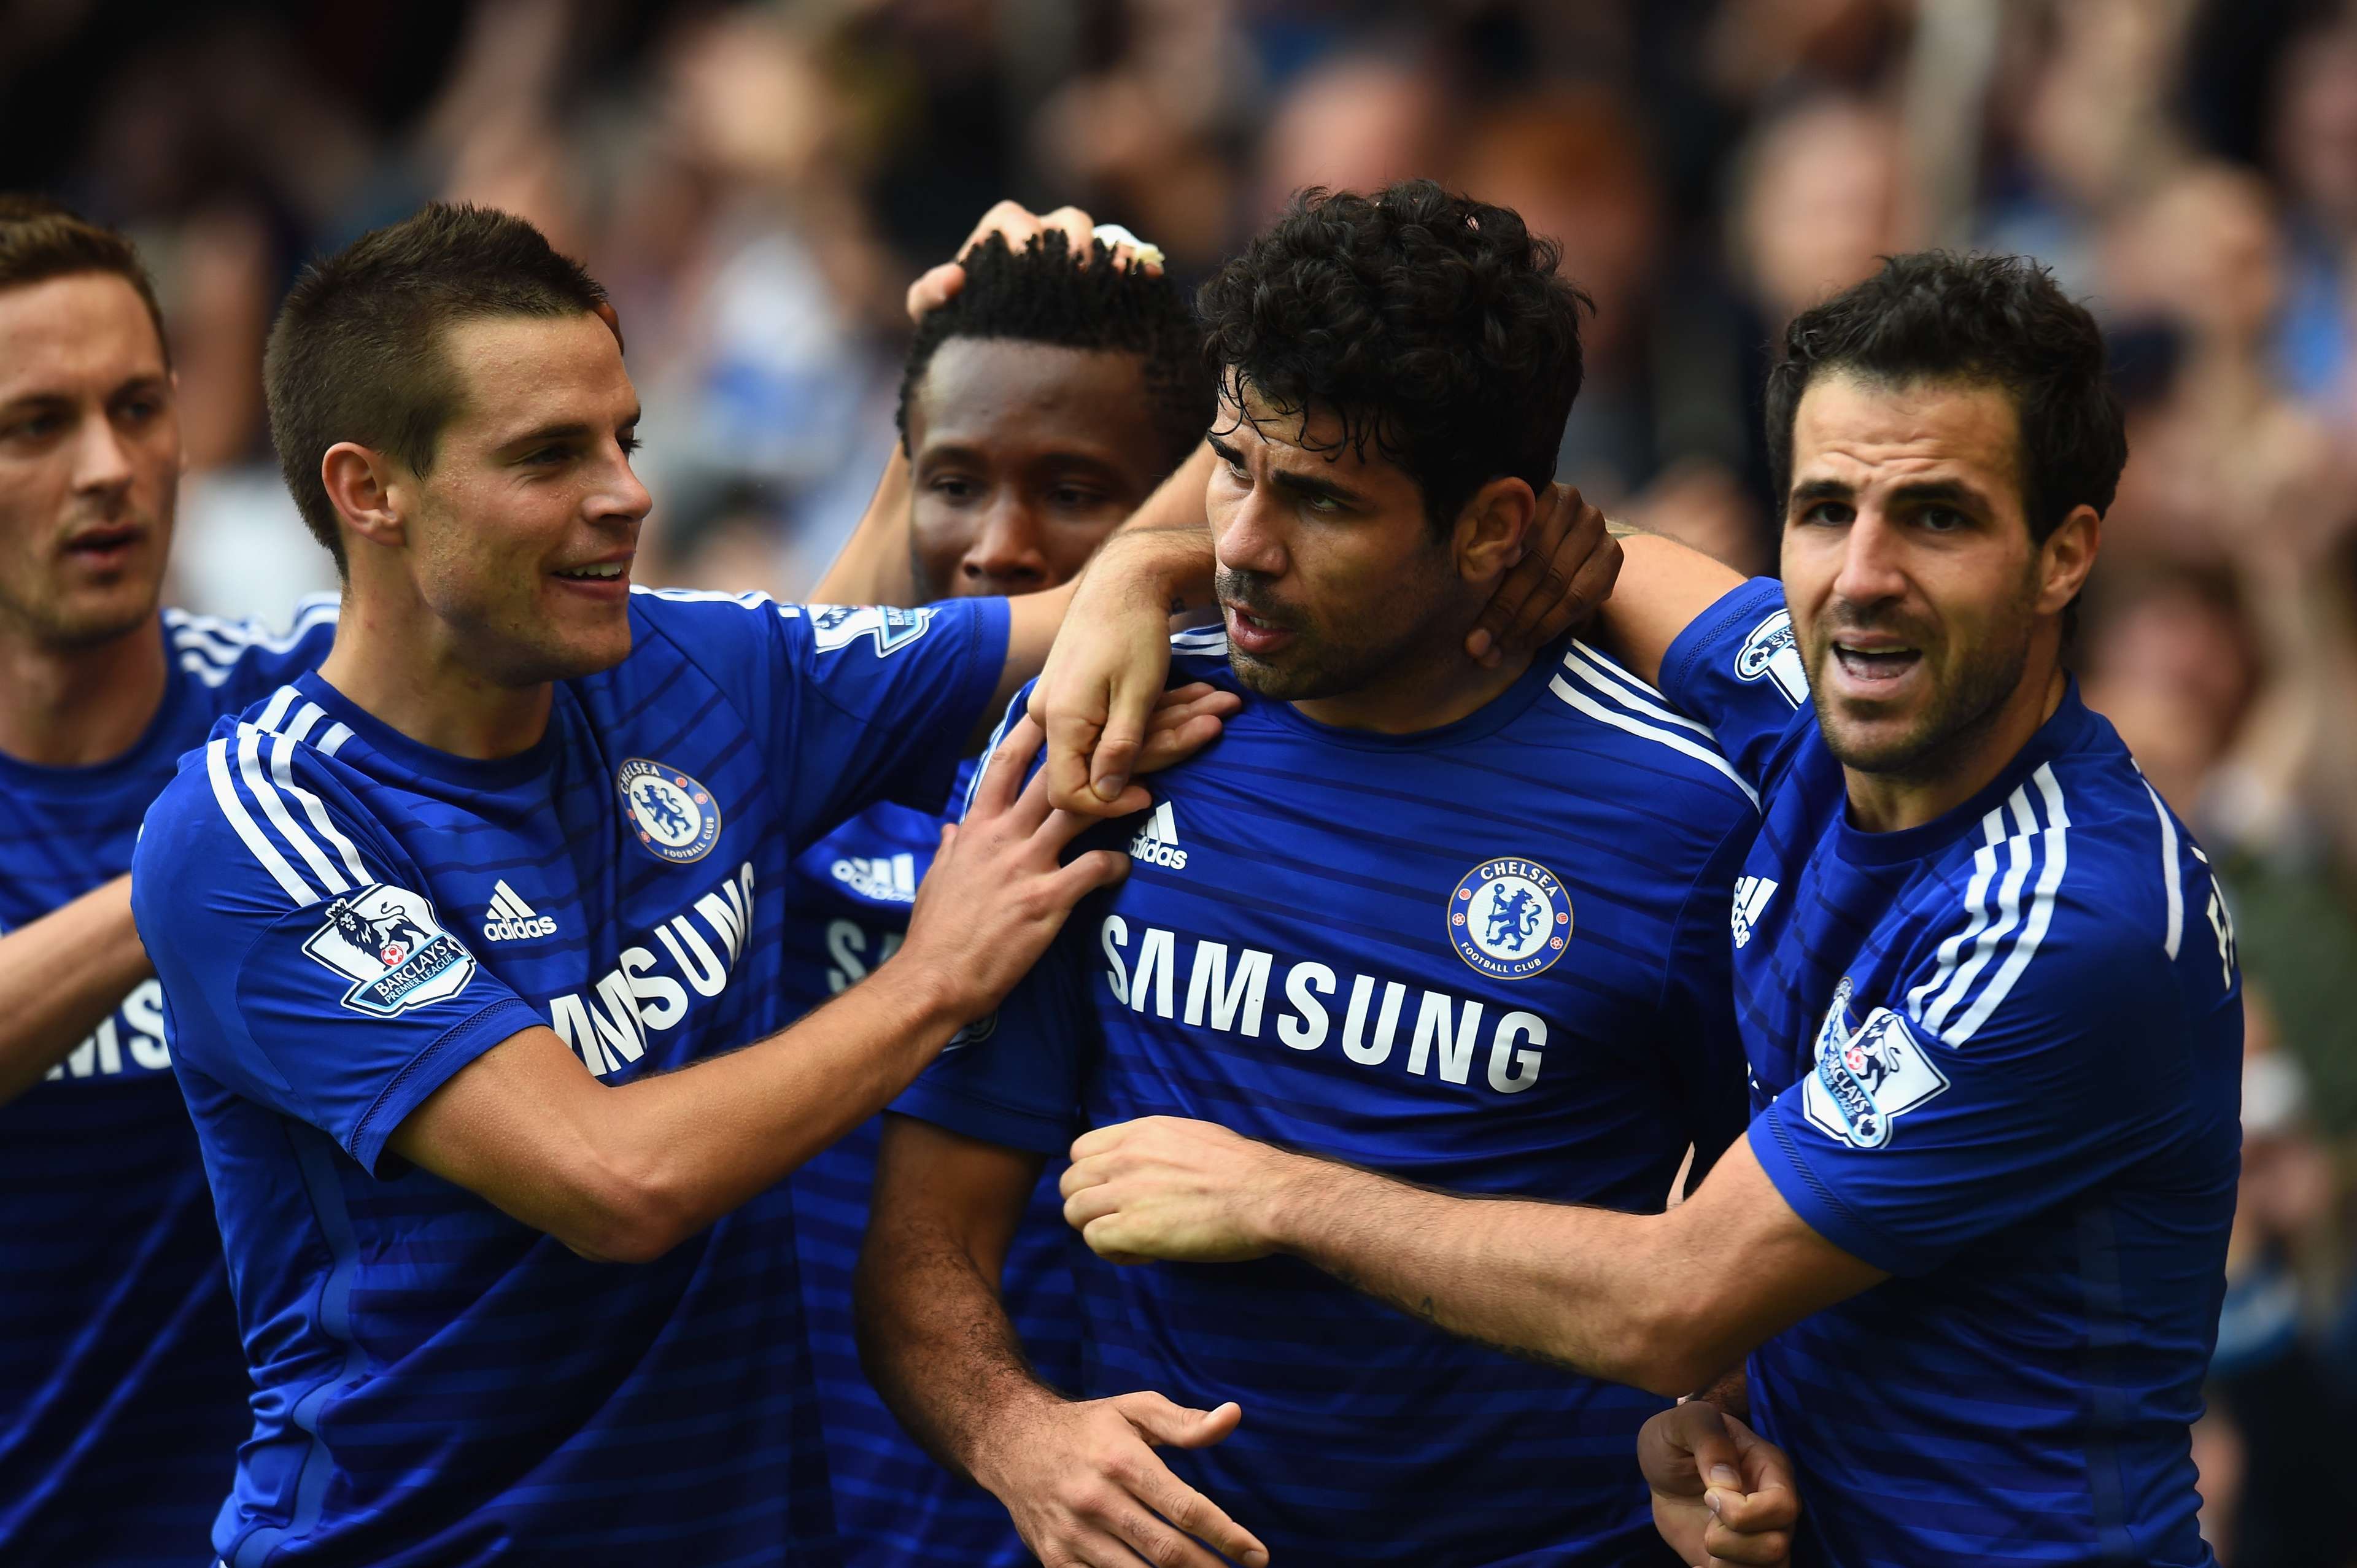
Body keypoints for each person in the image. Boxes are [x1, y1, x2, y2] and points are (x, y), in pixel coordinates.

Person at [1037, 250, 2243, 1568]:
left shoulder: (2064, 921)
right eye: (1826, 510)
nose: (1864, 576)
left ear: (2066, 556)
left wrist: (1278, 1194)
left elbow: (1676, 1300)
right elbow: (1589, 552)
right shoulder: (1809, 705)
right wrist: (1137, 575)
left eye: (1940, 519)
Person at [125, 201, 1239, 1565]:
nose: (628, 494)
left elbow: (1065, 604)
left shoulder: (695, 670)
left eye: (624, 439)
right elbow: (613, 1178)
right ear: (371, 491)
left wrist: (1258, 380)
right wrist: (935, 977)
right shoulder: (265, 827)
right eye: (550, 455)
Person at [857, 182, 1754, 1568]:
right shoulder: (1108, 731)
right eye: (1230, 464)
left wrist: (1724, 1432)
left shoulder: (1687, 820)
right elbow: (926, 1241)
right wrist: (1018, 1437)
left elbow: (1783, 1262)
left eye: (1323, 501)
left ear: (1492, 524)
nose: (1243, 545)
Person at [784, 225, 1215, 1568]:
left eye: (1076, 488)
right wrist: (941, 369)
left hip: (1049, 1507)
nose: (999, 544)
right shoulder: (799, 741)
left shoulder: (1185, 773)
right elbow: (825, 655)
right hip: (777, 1501)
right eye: (955, 481)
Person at [0, 196, 338, 1566]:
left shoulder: (294, 714)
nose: (110, 467)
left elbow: (718, 713)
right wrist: (195, 870)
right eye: (36, 425)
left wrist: (919, 462)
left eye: (140, 408)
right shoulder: (270, 790)